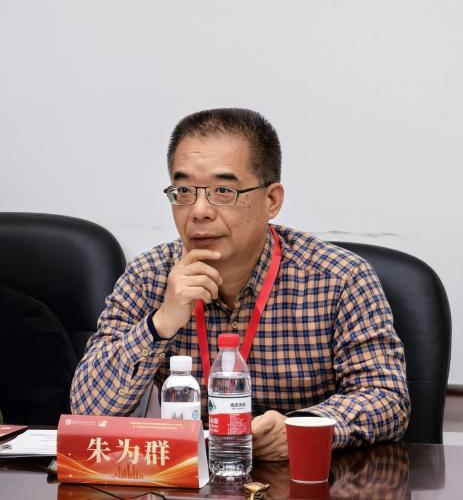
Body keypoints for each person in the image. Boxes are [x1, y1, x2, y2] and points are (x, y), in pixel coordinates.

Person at [71, 108, 410, 460]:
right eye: (183, 191)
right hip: (194, 476)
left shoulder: (339, 280)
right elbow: (87, 410)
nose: (199, 211)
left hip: (305, 477)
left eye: (222, 191)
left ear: (271, 201)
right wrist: (161, 323)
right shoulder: (149, 277)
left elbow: (387, 398)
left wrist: (301, 428)